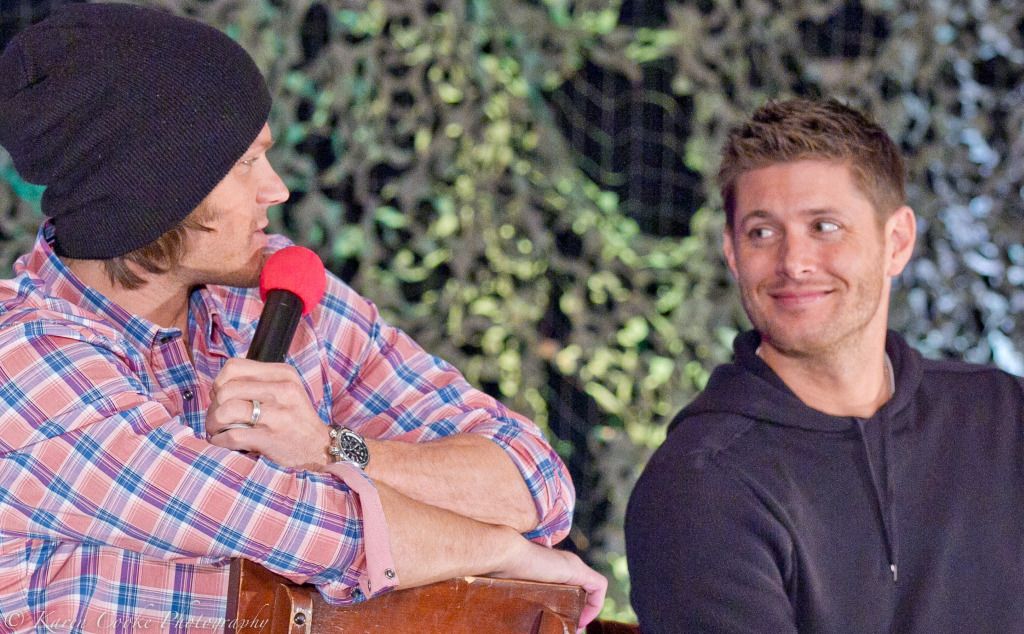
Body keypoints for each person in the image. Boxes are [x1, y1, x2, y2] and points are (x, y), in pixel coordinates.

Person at [0, 3, 605, 631]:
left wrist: (327, 448)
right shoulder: (24, 364)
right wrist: (501, 551)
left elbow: (534, 480)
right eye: (244, 164)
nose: (277, 189)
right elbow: (303, 530)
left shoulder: (271, 290)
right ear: (154, 192)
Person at [625, 97, 1024, 632]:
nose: (794, 263)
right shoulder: (699, 484)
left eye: (825, 226)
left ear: (896, 242)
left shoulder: (1004, 415)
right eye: (762, 232)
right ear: (733, 254)